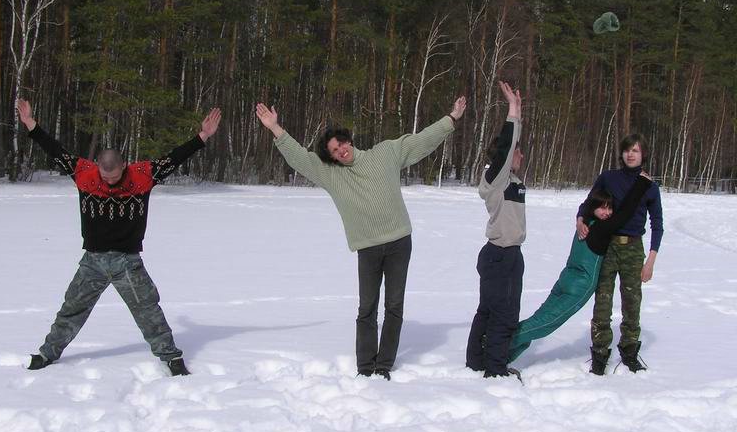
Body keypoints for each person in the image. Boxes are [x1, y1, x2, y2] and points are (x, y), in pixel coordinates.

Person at [255, 97, 466, 380]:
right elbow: (301, 158)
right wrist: (275, 128)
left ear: (349, 141)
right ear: (330, 157)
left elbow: (421, 141)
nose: (340, 150)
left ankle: (384, 365)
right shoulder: (331, 175)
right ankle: (366, 368)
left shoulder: (386, 153)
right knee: (367, 307)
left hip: (399, 242)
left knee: (394, 306)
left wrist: (450, 119)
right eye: (333, 150)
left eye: (341, 143)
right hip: (367, 248)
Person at [16, 99, 221, 376]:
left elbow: (174, 158)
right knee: (71, 309)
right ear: (98, 167)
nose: (109, 181)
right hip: (93, 262)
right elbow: (55, 151)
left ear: (123, 166)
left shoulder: (141, 176)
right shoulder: (84, 173)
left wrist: (202, 136)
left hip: (127, 263)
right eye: (104, 175)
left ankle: (171, 358)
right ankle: (47, 353)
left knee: (148, 311)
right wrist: (31, 124)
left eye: (114, 176)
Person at [508, 172, 653, 366]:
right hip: (578, 286)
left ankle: (503, 357)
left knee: (539, 320)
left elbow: (604, 211)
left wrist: (580, 216)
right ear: (593, 207)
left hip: (566, 278)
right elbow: (625, 212)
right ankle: (496, 344)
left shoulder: (584, 223)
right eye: (602, 207)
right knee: (546, 324)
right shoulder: (601, 228)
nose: (607, 212)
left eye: (610, 208)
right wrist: (642, 183)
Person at [576, 134, 663, 374]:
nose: (631, 154)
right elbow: (589, 202)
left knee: (632, 302)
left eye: (636, 150)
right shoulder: (608, 178)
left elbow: (658, 224)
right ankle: (600, 352)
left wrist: (650, 262)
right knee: (602, 300)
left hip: (634, 248)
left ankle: (629, 350)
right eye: (627, 150)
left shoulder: (650, 187)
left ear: (643, 154)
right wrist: (580, 218)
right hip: (608, 245)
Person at [466, 81, 525, 378]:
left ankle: (476, 362)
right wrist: (511, 113)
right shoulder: (496, 179)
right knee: (504, 314)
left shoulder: (510, 182)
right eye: (518, 152)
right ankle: (496, 370)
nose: (521, 156)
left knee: (488, 310)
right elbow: (506, 146)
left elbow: (510, 146)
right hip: (500, 256)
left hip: (505, 256)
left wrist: (519, 115)